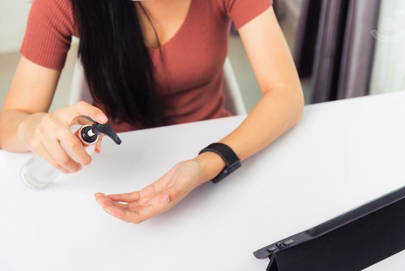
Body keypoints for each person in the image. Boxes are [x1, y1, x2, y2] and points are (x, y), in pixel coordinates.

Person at [0, 0, 304, 223]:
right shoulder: (60, 4)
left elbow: (286, 94)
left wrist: (206, 164)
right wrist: (33, 128)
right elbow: (11, 121)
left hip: (214, 150)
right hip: (119, 169)